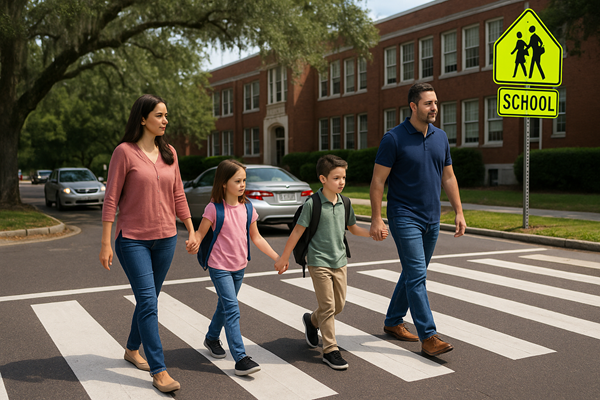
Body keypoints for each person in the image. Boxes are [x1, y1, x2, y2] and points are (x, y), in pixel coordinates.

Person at [99, 94, 199, 393]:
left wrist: (191, 230)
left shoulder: (169, 153)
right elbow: (111, 200)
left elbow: (178, 195)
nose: (165, 120)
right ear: (143, 119)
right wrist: (106, 242)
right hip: (132, 241)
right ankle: (159, 370)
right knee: (148, 302)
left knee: (148, 301)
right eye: (159, 115)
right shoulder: (124, 153)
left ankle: (131, 349)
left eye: (166, 115)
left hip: (167, 239)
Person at [370, 83, 466, 357]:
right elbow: (378, 181)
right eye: (428, 103)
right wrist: (377, 218)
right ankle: (429, 335)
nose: (434, 107)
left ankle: (392, 321)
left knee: (414, 272)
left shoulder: (440, 137)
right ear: (413, 106)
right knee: (417, 275)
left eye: (435, 102)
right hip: (404, 216)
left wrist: (458, 211)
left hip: (431, 218)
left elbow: (448, 176)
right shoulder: (394, 138)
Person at [275, 155, 386, 370]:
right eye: (336, 178)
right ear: (323, 179)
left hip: (340, 260)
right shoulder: (312, 204)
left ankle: (312, 321)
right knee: (327, 305)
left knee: (338, 305)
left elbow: (353, 229)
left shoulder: (345, 202)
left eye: (343, 177)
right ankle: (330, 349)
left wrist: (372, 234)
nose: (342, 182)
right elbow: (297, 232)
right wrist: (284, 257)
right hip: (318, 261)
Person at [192, 159, 286, 376]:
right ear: (224, 183)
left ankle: (211, 338)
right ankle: (241, 358)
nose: (243, 184)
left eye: (244, 180)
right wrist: (193, 241)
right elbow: (200, 234)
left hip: (239, 266)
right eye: (237, 180)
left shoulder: (248, 207)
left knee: (224, 306)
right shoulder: (214, 209)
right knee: (232, 309)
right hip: (219, 266)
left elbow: (257, 237)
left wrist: (277, 257)